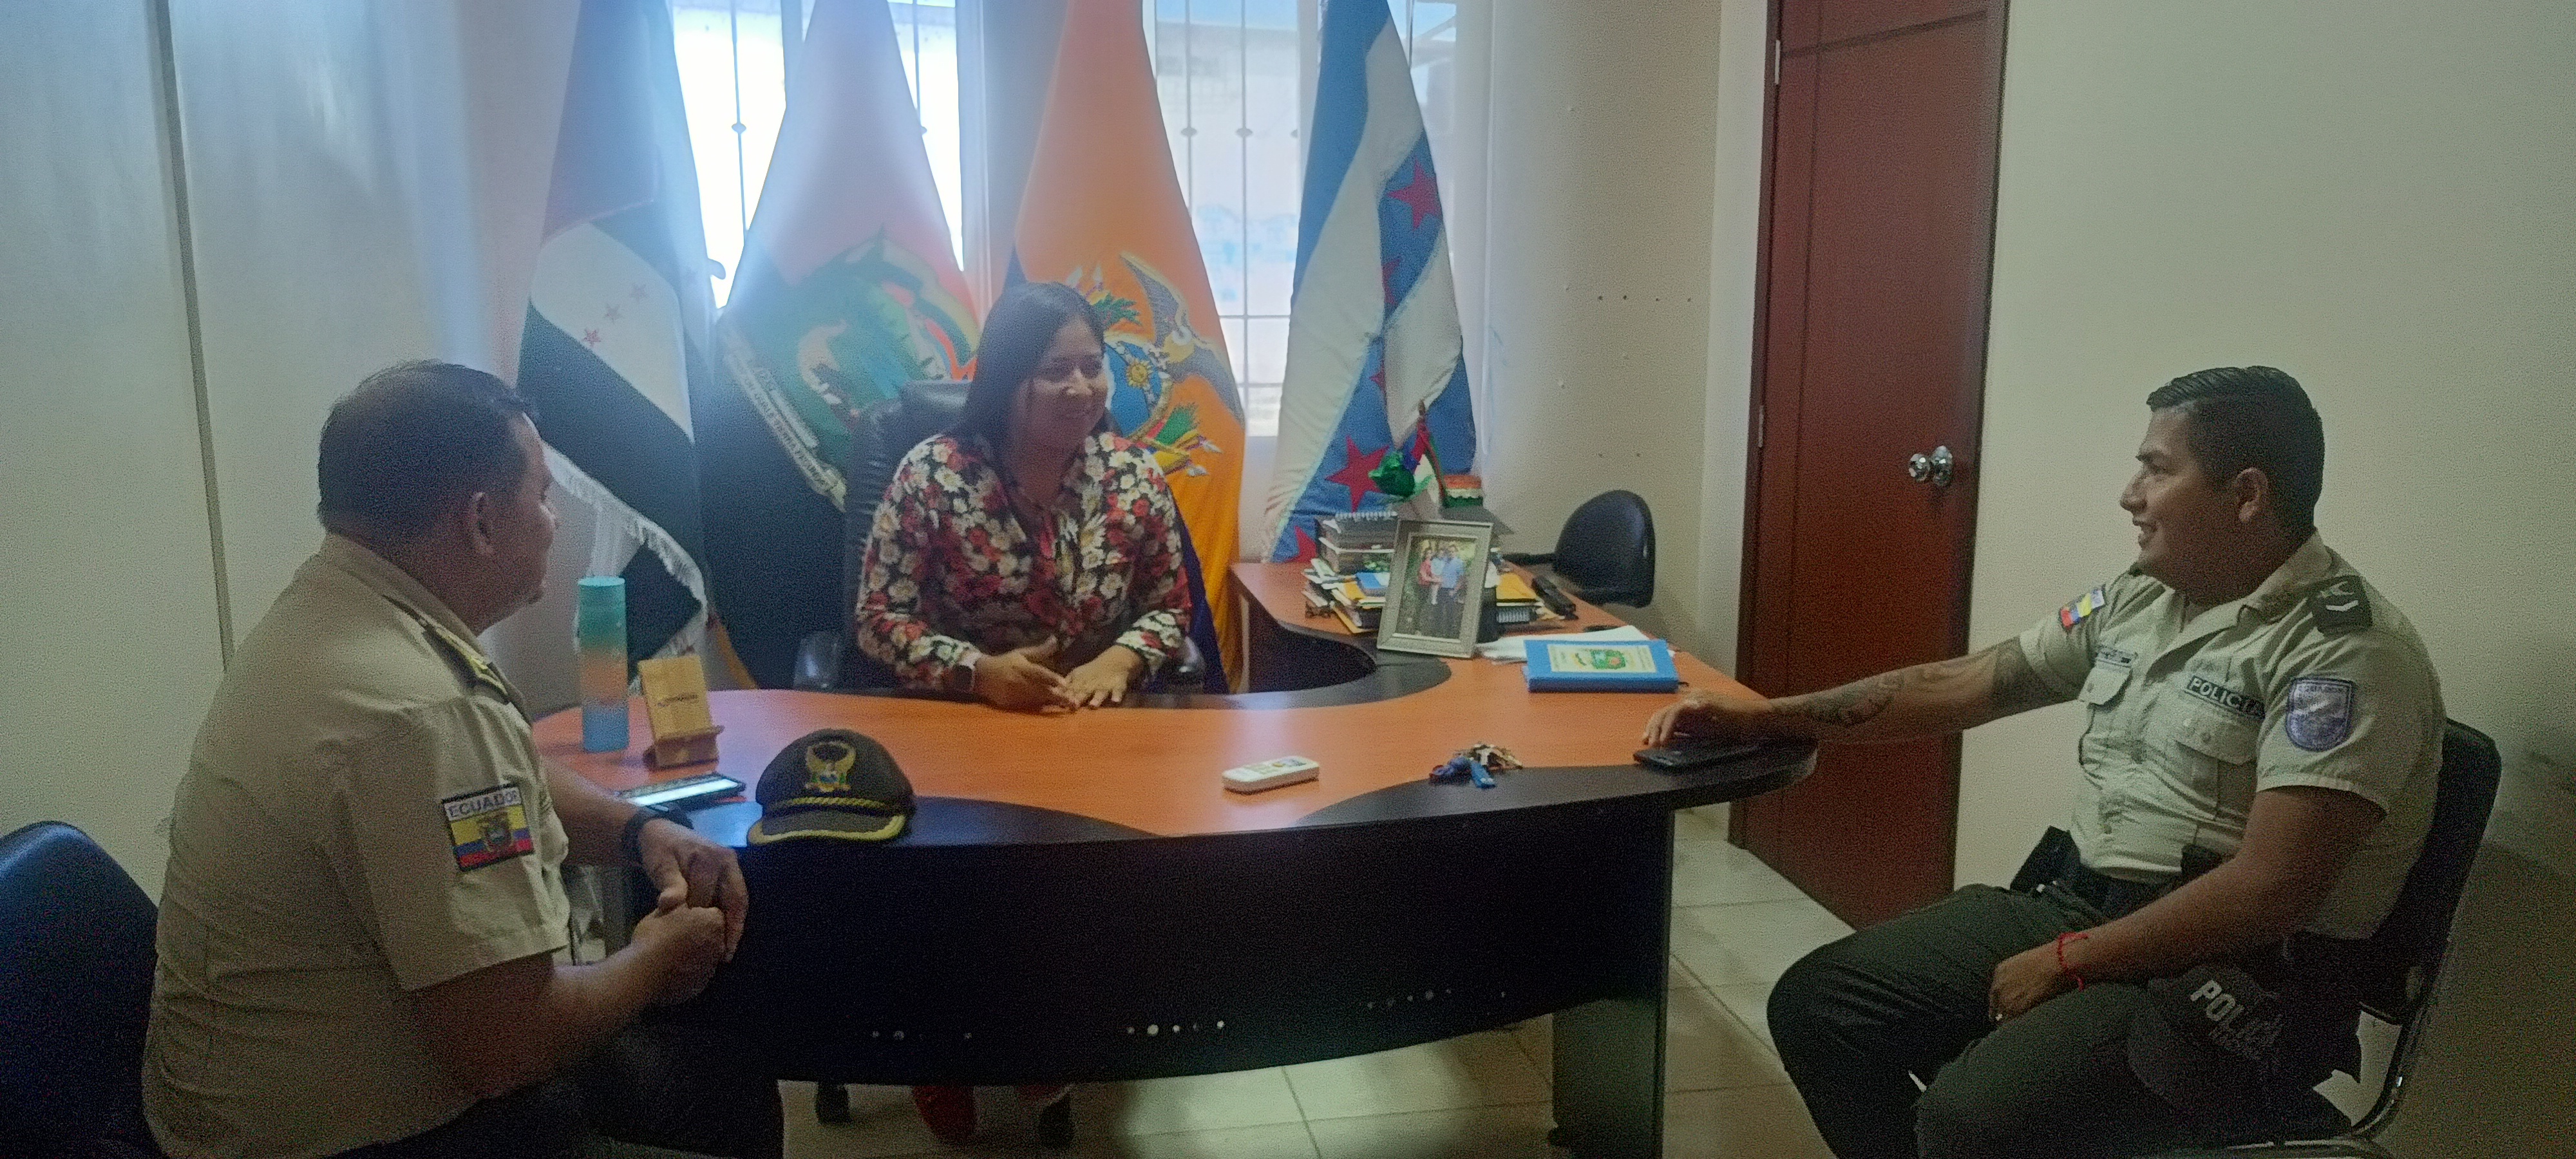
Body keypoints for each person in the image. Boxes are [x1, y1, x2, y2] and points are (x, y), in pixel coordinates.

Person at [1643, 368, 2442, 1158]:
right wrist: (1765, 716)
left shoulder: (2343, 652)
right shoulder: (2144, 597)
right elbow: (1969, 683)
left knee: (1972, 1118)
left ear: (2247, 495)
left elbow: (2270, 890)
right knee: (1821, 1007)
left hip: (2238, 971)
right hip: (2086, 903)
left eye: (2157, 469)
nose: (2130, 495)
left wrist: (2068, 961)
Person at [142, 363, 781, 1159]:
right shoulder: (418, 711)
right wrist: (656, 956)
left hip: (258, 1095)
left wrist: (638, 832)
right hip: (354, 1139)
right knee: (709, 1079)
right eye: (542, 495)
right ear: (481, 521)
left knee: (721, 1081)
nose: (552, 520)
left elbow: (504, 776)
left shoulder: (333, 616)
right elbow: (509, 1048)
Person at [853, 279, 1193, 715]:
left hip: (1096, 715)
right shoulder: (933, 475)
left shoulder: (1134, 475)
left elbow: (1170, 609)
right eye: (1056, 371)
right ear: (1005, 379)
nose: (1081, 389)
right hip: (969, 714)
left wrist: (1121, 660)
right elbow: (878, 620)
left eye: (1092, 367)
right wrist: (977, 672)